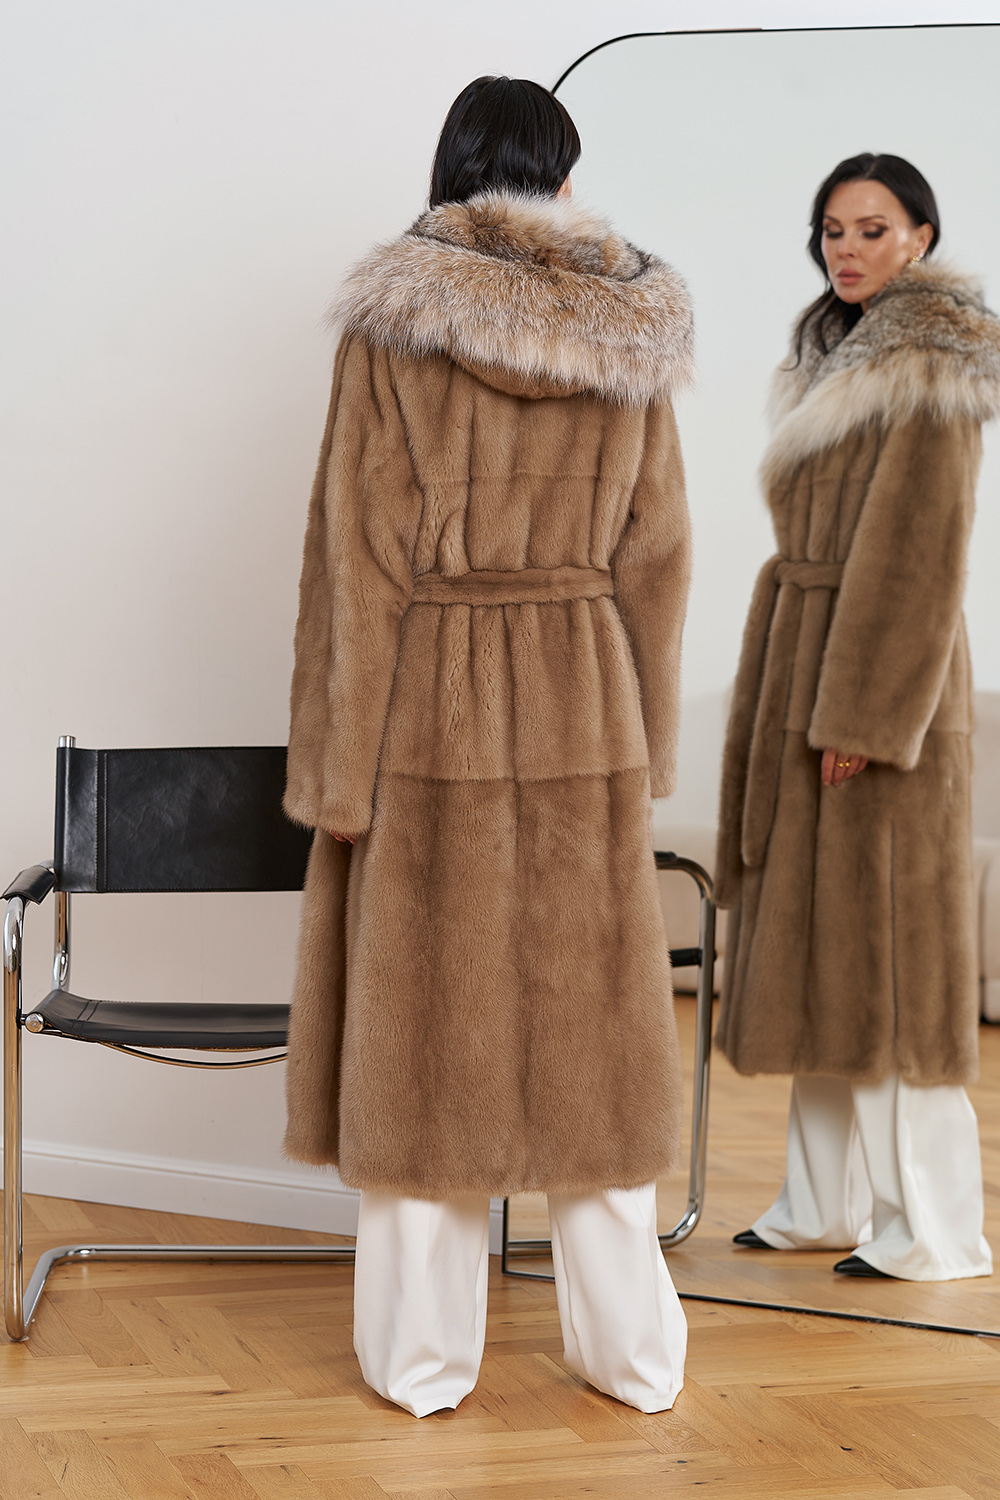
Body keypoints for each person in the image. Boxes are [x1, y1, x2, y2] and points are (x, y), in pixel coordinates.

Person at [281, 76, 695, 1415]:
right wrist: (649, 747)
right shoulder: (630, 329)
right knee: (596, 1042)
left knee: (426, 1042)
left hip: (428, 699)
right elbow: (658, 553)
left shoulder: (394, 323)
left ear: (455, 170)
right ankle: (632, 1358)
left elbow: (356, 555)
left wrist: (337, 772)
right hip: (585, 695)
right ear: (558, 179)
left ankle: (420, 1363)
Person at [715, 152, 1000, 1282]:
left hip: (881, 678)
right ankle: (817, 1204)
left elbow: (920, 553)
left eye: (872, 229)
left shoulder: (930, 361)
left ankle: (933, 1228)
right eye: (832, 229)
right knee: (814, 942)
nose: (847, 247)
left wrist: (867, 719)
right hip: (806, 659)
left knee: (887, 961)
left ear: (920, 236)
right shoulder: (831, 353)